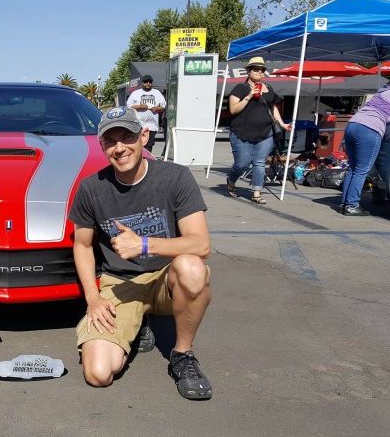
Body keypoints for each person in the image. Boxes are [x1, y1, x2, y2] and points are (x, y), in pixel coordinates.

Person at [69, 106, 214, 400]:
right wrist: (93, 298)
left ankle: (182, 354)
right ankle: (137, 325)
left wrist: (145, 244)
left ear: (144, 136)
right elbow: (82, 245)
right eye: (110, 141)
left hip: (165, 279)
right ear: (102, 146)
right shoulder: (91, 189)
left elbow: (201, 244)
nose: (120, 148)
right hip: (119, 283)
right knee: (98, 373)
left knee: (192, 268)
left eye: (127, 137)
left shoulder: (175, 177)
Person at [226, 56, 291, 204]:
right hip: (242, 133)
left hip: (265, 133)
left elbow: (273, 107)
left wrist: (282, 123)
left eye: (262, 70)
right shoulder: (240, 88)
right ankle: (231, 180)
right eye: (256, 69)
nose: (259, 72)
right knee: (242, 164)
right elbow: (233, 109)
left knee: (259, 162)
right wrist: (249, 95)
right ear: (248, 71)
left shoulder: (268, 88)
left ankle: (256, 193)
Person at [339, 86, 390, 215]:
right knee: (362, 170)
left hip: (352, 125)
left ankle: (344, 204)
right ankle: (352, 205)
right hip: (370, 129)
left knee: (353, 168)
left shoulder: (382, 92)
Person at [126, 74, 166, 153]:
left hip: (152, 125)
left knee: (149, 145)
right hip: (139, 124)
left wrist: (157, 108)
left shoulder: (157, 93)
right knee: (139, 144)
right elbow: (129, 107)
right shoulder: (135, 93)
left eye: (150, 82)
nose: (148, 83)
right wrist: (140, 106)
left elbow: (163, 106)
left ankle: (147, 161)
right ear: (142, 83)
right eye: (146, 82)